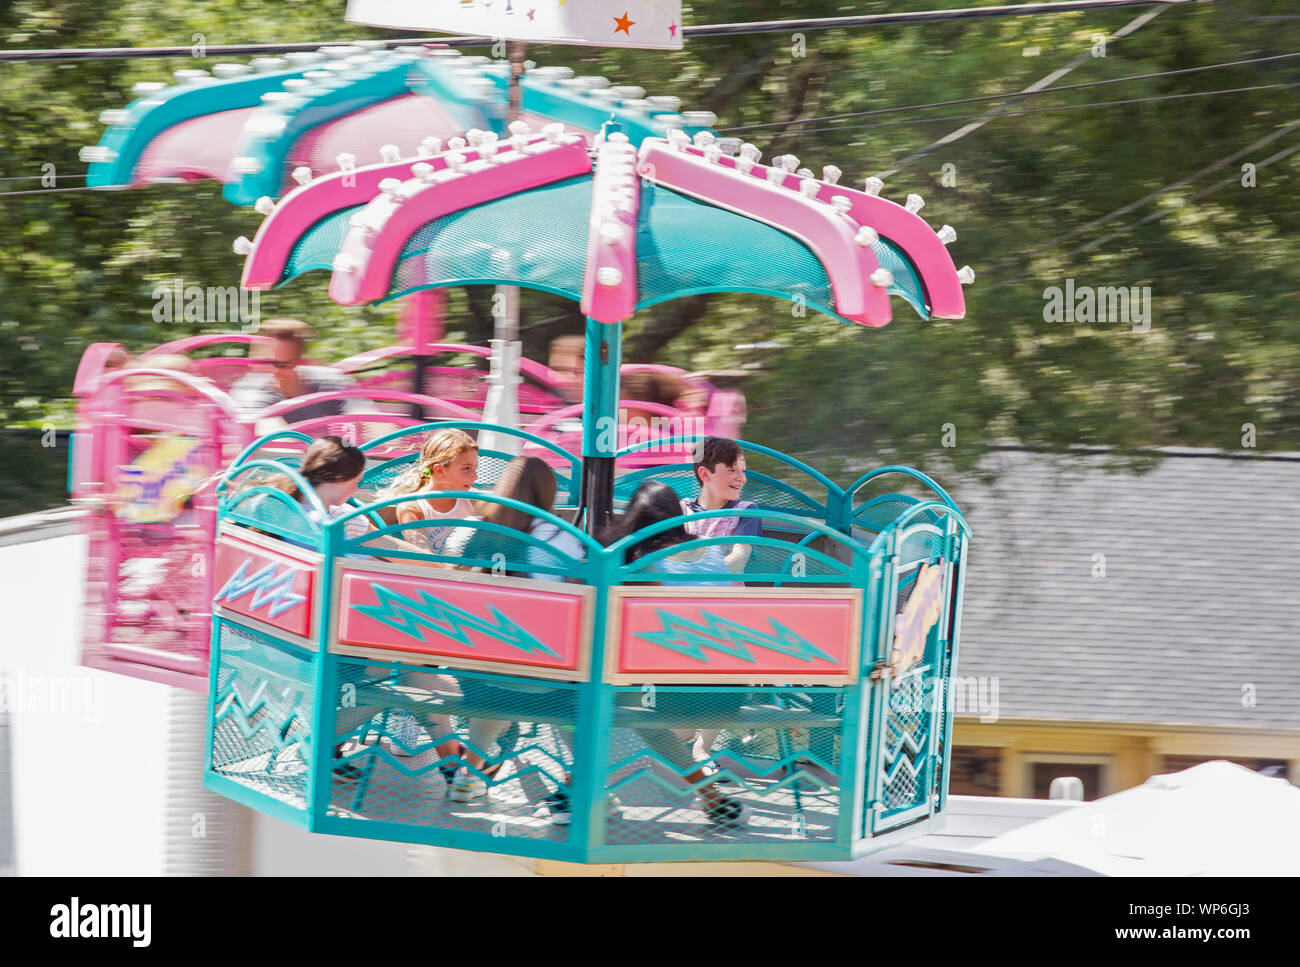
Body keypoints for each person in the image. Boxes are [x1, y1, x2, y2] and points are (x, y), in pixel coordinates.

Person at [436, 456, 585, 801]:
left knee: (500, 683)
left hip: (473, 677)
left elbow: (447, 586)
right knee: (576, 695)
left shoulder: (473, 530)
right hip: (542, 681)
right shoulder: (562, 539)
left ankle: (469, 776)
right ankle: (586, 784)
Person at [229, 318, 355, 431]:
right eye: (264, 362)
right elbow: (271, 439)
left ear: (299, 363)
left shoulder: (331, 381)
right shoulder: (248, 391)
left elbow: (366, 418)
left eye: (281, 365)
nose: (272, 371)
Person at [378, 428, 479, 557]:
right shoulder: (412, 508)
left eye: (475, 467)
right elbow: (423, 555)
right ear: (440, 471)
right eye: (466, 468)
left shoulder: (474, 500)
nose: (475, 476)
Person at [679, 436, 760, 580]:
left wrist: (698, 578)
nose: (742, 478)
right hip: (684, 594)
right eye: (731, 470)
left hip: (724, 598)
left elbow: (739, 559)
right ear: (705, 474)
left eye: (743, 471)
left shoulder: (745, 511)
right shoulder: (682, 510)